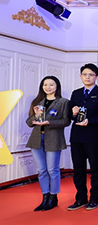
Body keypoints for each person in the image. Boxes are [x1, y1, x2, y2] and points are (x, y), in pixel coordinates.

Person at [67, 63, 98, 211]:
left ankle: (94, 198)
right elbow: (69, 115)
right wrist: (73, 113)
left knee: (95, 168)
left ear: (96, 77)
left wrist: (90, 121)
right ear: (80, 76)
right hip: (77, 137)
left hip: (93, 136)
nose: (87, 77)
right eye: (85, 74)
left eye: (91, 74)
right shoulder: (76, 93)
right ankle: (80, 198)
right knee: (78, 169)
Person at [26, 76, 70, 211]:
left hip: (54, 139)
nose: (48, 87)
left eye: (51, 84)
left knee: (52, 170)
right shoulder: (37, 102)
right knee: (41, 170)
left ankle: (53, 197)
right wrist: (35, 115)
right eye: (45, 85)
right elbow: (29, 122)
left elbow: (66, 121)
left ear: (57, 86)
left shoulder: (63, 102)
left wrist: (49, 122)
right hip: (36, 139)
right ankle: (45, 197)